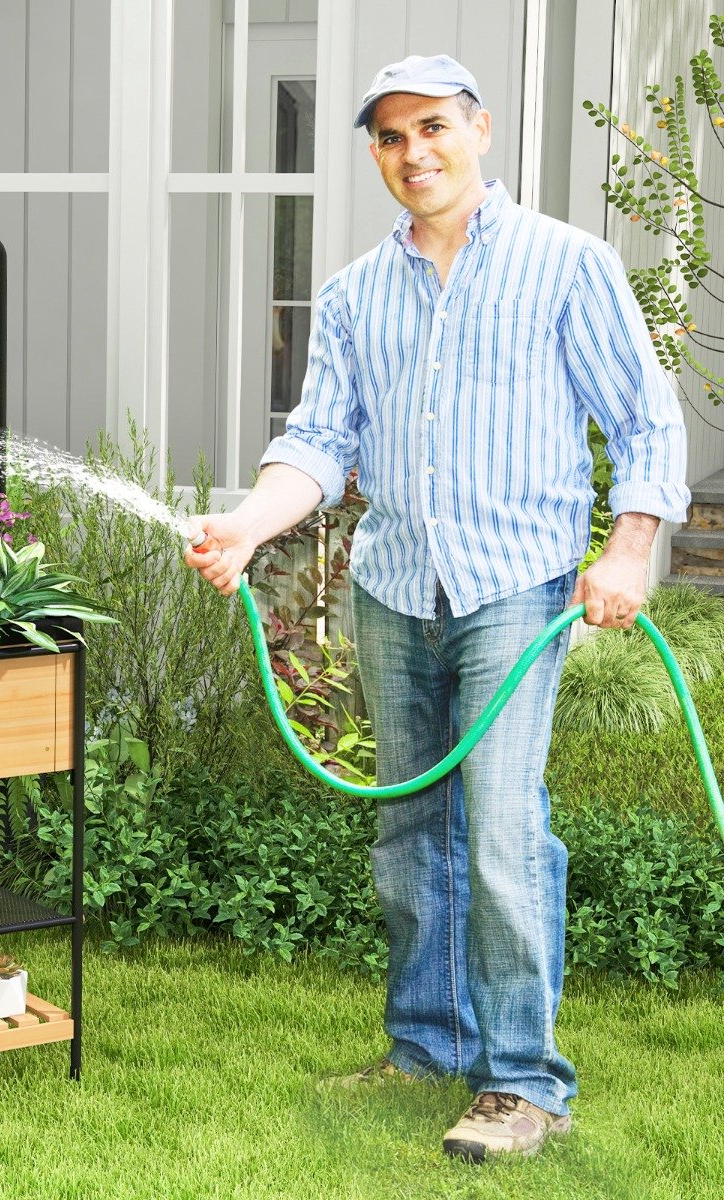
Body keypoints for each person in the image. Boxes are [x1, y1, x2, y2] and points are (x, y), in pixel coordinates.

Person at [185, 54, 689, 1163]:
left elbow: (648, 427)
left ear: (480, 130)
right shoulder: (359, 292)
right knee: (411, 826)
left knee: (502, 830)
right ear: (375, 152)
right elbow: (318, 441)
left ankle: (523, 1081)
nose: (414, 154)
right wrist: (248, 525)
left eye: (432, 129)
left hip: (517, 588)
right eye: (390, 138)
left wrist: (631, 550)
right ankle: (426, 1043)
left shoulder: (568, 265)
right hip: (396, 587)